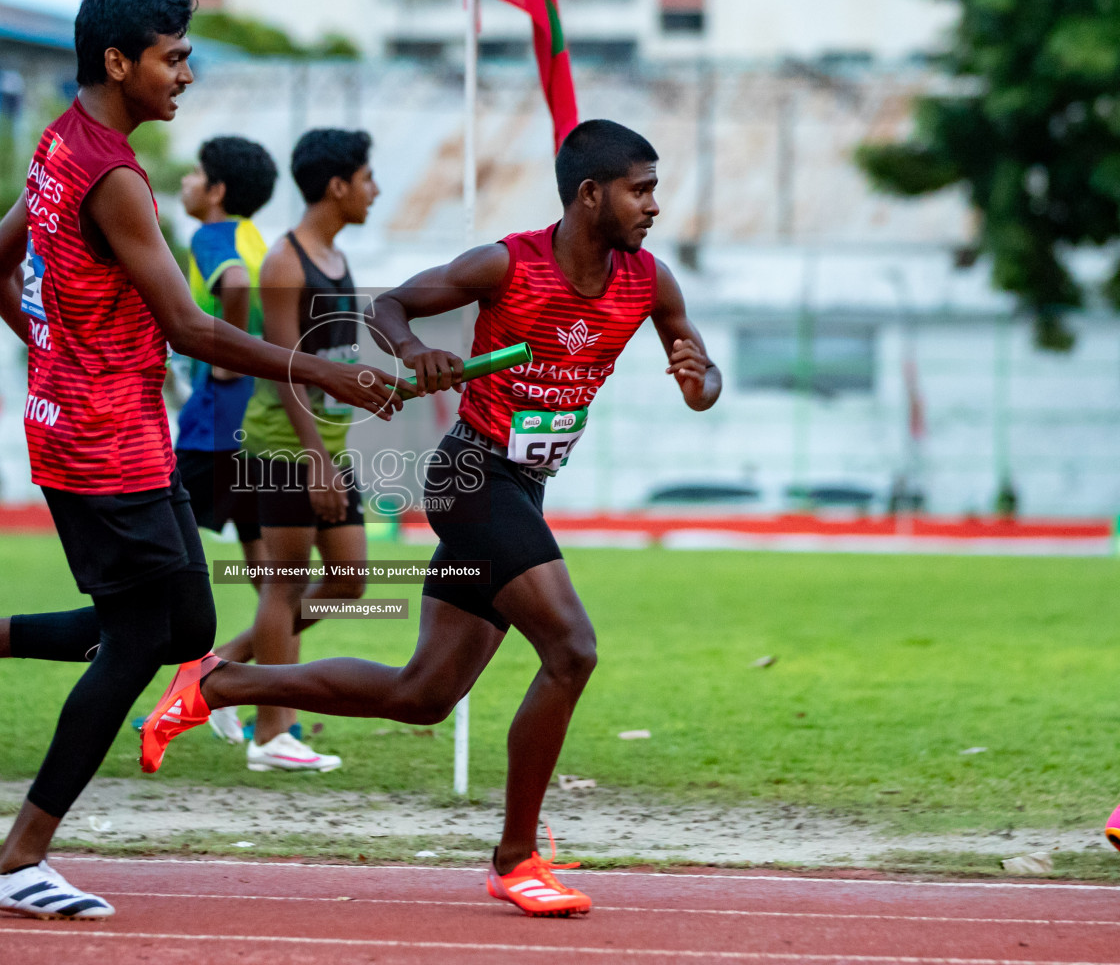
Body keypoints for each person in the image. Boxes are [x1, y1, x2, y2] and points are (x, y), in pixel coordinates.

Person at [0, 0, 406, 920]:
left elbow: (1, 269)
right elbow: (192, 328)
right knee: (136, 642)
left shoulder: (63, 143)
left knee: (188, 630)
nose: (187, 74)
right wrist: (322, 373)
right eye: (173, 57)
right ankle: (16, 858)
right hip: (99, 444)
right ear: (119, 62)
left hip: (120, 430)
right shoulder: (116, 177)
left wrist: (54, 352)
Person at [140, 119, 723, 918]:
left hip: (523, 486)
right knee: (572, 648)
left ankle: (221, 681)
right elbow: (392, 306)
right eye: (641, 188)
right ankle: (516, 860)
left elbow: (697, 364)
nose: (654, 205)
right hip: (471, 477)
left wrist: (702, 379)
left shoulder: (649, 280)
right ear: (591, 195)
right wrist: (415, 352)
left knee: (423, 694)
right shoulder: (506, 263)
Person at [203, 129, 380, 770]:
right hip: (284, 449)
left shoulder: (334, 256)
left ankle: (221, 675)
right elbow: (283, 369)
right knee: (284, 584)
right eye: (366, 178)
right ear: (337, 186)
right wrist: (315, 460)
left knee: (349, 580)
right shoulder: (285, 261)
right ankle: (273, 732)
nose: (375, 190)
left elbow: (331, 358)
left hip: (326, 446)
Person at [172, 136, 275, 598]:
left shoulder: (211, 236)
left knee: (163, 531)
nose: (184, 181)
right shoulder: (257, 240)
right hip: (258, 418)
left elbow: (233, 283)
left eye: (194, 172)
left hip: (216, 419)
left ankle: (154, 639)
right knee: (264, 563)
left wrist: (225, 364)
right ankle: (279, 665)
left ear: (216, 191)